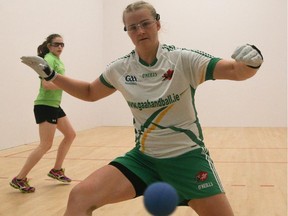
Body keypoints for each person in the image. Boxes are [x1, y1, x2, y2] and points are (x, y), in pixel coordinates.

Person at [21, 1, 263, 215]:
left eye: (145, 23)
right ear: (127, 32)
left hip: (187, 159)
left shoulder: (183, 60)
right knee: (80, 196)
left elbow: (235, 70)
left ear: (158, 24)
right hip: (143, 160)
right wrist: (52, 74)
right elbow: (90, 92)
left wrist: (252, 63)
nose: (140, 30)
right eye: (132, 27)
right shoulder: (120, 68)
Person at [10, 34, 76, 193]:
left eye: (62, 44)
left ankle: (57, 170)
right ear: (49, 45)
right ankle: (19, 178)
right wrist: (67, 85)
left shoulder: (57, 60)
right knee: (45, 144)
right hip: (45, 106)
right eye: (56, 44)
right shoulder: (49, 59)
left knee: (70, 134)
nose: (60, 47)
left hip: (54, 105)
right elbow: (47, 84)